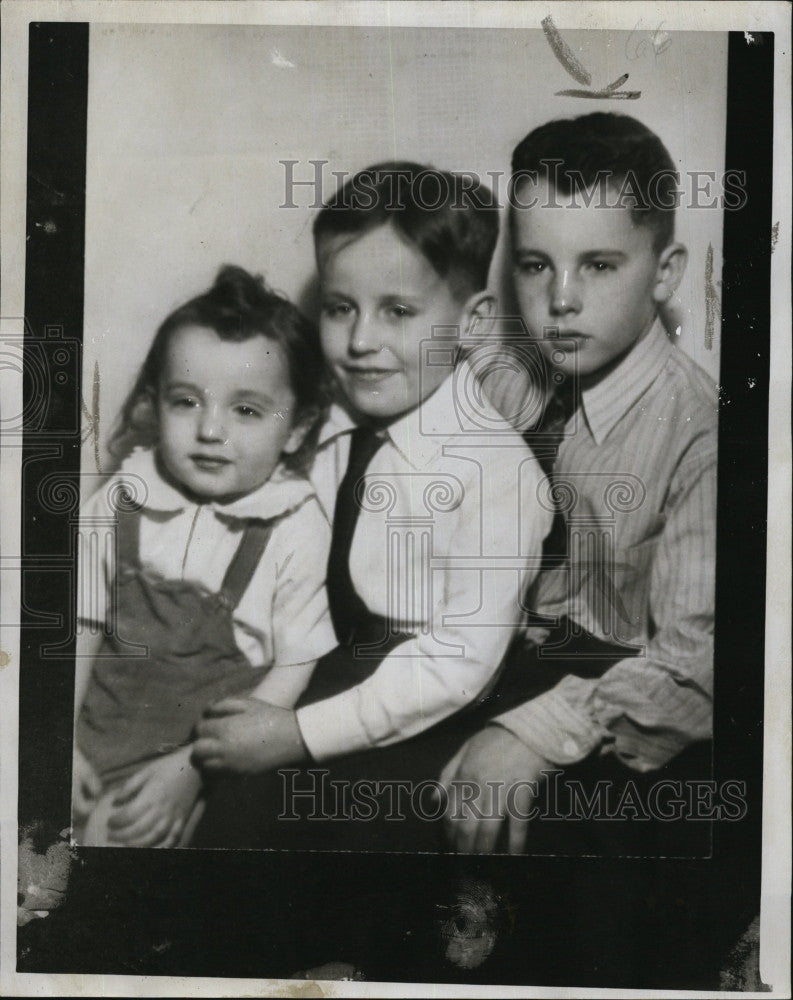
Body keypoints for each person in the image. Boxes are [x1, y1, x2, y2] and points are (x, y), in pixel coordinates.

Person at [189, 163, 552, 850]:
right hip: (312, 681)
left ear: (472, 322)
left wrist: (293, 734)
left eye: (398, 312)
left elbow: (454, 664)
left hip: (417, 728)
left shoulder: (497, 474)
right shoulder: (331, 428)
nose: (359, 343)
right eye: (338, 307)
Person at [440, 112, 717, 855]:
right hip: (491, 655)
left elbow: (695, 669)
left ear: (663, 273)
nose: (560, 298)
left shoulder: (703, 436)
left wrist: (531, 738)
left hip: (615, 709)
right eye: (535, 265)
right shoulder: (497, 385)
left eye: (597, 265)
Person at [71, 265, 336, 847]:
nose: (210, 430)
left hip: (202, 764)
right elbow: (80, 631)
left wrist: (192, 771)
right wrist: (56, 748)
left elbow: (293, 667)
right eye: (187, 401)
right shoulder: (122, 497)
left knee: (114, 846)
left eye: (246, 410)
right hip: (93, 736)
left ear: (297, 428)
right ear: (155, 402)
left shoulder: (293, 524)